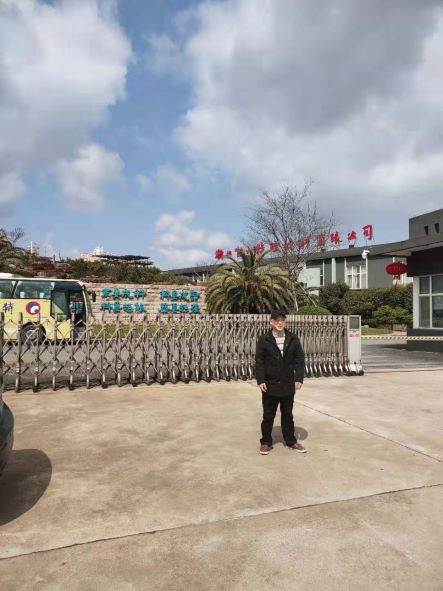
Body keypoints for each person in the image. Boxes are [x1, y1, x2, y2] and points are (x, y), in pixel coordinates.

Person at [255, 309, 307, 455]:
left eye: (282, 320)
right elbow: (259, 361)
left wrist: (299, 378)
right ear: (271, 322)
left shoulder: (292, 338)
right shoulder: (264, 339)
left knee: (287, 415)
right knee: (268, 415)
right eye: (276, 320)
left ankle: (290, 441)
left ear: (285, 322)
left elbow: (300, 359)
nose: (279, 323)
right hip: (270, 384)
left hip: (287, 383)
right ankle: (266, 442)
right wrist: (261, 380)